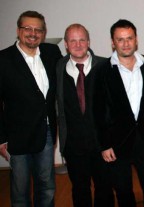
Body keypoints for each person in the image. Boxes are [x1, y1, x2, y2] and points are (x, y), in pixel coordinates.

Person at [93, 19, 144, 207]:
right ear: (112, 42)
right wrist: (104, 144)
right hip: (117, 142)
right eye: (120, 39)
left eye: (129, 38)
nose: (125, 43)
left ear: (136, 39)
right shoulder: (102, 70)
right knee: (123, 192)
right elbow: (98, 110)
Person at [0, 11, 62, 206]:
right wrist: (1, 138)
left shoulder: (52, 53)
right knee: (20, 188)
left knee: (47, 185)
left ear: (43, 33)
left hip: (46, 132)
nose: (33, 33)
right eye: (28, 28)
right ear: (19, 30)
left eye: (38, 29)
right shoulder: (3, 59)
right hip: (17, 135)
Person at [56, 23, 114, 207]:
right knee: (79, 190)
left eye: (82, 40)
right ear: (66, 44)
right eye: (73, 40)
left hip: (102, 144)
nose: (78, 44)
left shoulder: (106, 66)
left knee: (104, 189)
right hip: (73, 146)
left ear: (88, 42)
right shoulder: (58, 67)